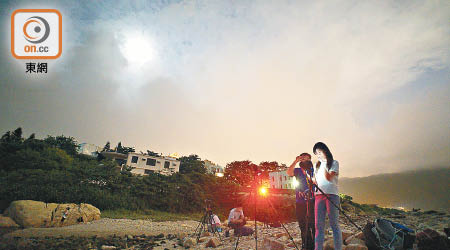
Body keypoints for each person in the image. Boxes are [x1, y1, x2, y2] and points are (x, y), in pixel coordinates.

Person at [312, 142, 342, 250]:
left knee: (334, 224)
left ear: (325, 151)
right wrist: (312, 180)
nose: (318, 155)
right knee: (318, 226)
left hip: (332, 195)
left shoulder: (334, 163)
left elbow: (329, 178)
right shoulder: (316, 165)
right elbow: (316, 181)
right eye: (316, 153)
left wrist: (324, 164)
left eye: (319, 152)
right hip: (318, 196)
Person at [287, 153, 315, 250]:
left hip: (312, 201)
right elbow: (289, 173)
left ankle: (316, 245)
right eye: (302, 159)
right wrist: (295, 161)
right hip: (300, 202)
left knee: (313, 224)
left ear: (310, 160)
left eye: (306, 159)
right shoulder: (298, 170)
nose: (304, 160)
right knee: (302, 224)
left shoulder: (313, 170)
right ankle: (307, 246)